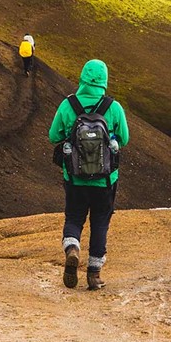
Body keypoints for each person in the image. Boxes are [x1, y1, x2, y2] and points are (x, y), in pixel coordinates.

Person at [48, 59, 129, 290]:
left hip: (74, 178)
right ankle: (94, 275)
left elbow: (54, 135)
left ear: (83, 77)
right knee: (100, 222)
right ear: (104, 79)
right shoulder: (113, 107)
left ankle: (72, 249)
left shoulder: (68, 105)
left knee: (74, 217)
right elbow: (124, 138)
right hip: (105, 180)